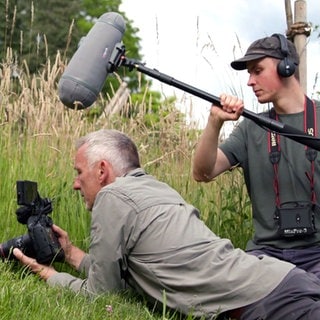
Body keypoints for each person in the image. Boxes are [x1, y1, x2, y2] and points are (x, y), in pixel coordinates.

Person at [13, 129, 320, 319]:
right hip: (283, 281)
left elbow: (100, 295)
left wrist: (46, 273)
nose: (76, 184)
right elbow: (115, 276)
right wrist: (69, 253)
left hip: (271, 303)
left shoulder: (113, 197)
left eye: (79, 172)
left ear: (102, 170)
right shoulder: (155, 188)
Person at [192, 33, 320, 278]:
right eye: (249, 73)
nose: (250, 81)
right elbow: (202, 173)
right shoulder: (251, 127)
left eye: (257, 70)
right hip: (266, 255)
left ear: (286, 67)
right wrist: (214, 122)